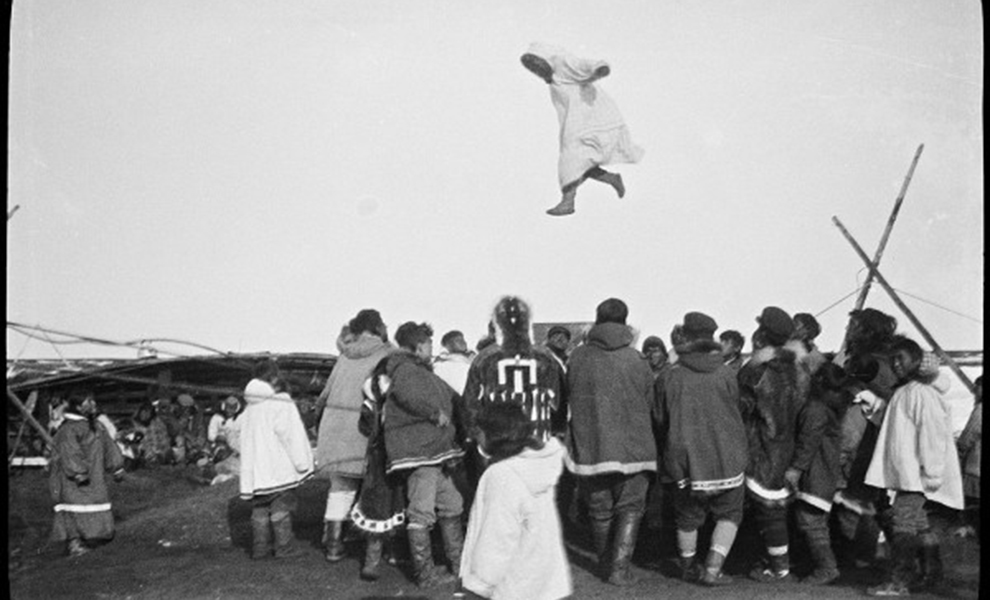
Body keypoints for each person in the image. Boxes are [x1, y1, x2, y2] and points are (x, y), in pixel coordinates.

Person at [565, 297, 657, 586]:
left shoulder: (578, 357)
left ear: (597, 319)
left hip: (591, 447)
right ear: (625, 321)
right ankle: (620, 569)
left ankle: (605, 563)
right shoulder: (636, 359)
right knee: (630, 507)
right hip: (634, 447)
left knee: (599, 509)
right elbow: (650, 401)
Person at [864, 336, 964, 596]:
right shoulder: (906, 390)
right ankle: (932, 575)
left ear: (917, 361)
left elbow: (932, 435)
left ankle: (900, 581)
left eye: (902, 358)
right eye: (893, 359)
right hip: (910, 474)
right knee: (920, 525)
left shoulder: (921, 393)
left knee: (903, 525)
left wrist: (931, 472)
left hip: (916, 475)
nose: (896, 364)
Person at [655, 312, 748, 586]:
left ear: (686, 336)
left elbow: (659, 418)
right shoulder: (726, 373)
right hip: (726, 455)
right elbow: (736, 407)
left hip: (684, 458)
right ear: (713, 338)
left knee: (687, 517)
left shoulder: (669, 376)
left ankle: (687, 568)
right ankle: (712, 570)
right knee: (730, 514)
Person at [381, 321, 466, 588]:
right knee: (421, 513)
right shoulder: (406, 370)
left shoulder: (419, 370)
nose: (432, 347)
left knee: (452, 504)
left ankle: (459, 565)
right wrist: (432, 413)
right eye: (429, 343)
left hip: (435, 453)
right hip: (419, 453)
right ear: (418, 347)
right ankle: (425, 574)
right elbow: (407, 395)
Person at [459, 403, 573, 600]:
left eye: (479, 431)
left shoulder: (502, 475)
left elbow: (497, 537)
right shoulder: (536, 467)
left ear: (494, 433)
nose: (476, 438)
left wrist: (478, 586)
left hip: (513, 588)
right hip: (546, 583)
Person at [520, 43, 644, 216]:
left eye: (537, 65)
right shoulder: (553, 77)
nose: (536, 71)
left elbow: (581, 65)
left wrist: (598, 68)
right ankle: (611, 179)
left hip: (590, 121)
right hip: (577, 123)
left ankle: (567, 202)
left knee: (571, 161)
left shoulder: (562, 64)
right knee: (581, 162)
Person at [314, 309, 396, 562]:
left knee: (340, 488)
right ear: (379, 327)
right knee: (374, 488)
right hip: (363, 431)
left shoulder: (344, 357)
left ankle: (333, 544)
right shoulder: (386, 354)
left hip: (334, 428)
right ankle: (374, 546)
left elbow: (323, 397)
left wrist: (322, 429)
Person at [738, 306, 806, 583]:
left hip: (759, 447)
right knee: (777, 509)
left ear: (761, 335)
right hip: (789, 447)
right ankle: (775, 561)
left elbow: (739, 409)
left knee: (768, 511)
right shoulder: (800, 369)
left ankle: (779, 567)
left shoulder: (754, 371)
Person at [239, 360, 315, 560]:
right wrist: (302, 463)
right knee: (281, 504)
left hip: (256, 471)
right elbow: (291, 435)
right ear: (274, 377)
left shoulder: (248, 409)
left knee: (260, 507)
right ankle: (284, 547)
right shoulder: (280, 402)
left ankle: (259, 548)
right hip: (277, 467)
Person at [464, 296, 565, 446]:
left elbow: (470, 403)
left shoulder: (483, 359)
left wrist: (476, 435)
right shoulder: (546, 358)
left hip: (498, 441)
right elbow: (559, 402)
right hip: (538, 439)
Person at [785, 362, 849, 585]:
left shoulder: (815, 409)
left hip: (815, 474)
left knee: (811, 521)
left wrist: (795, 470)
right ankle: (822, 564)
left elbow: (807, 443)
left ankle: (826, 567)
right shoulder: (832, 409)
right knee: (815, 521)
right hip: (824, 472)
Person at [49, 392, 125, 557]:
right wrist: (78, 472)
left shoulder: (97, 426)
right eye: (88, 402)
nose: (92, 404)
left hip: (95, 476)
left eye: (93, 401)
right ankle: (74, 543)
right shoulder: (68, 429)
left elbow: (109, 447)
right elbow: (70, 451)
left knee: (96, 501)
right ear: (77, 407)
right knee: (74, 508)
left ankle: (93, 539)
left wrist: (117, 466)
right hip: (73, 480)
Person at [955, 374, 981, 539]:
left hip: (976, 467)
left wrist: (959, 453)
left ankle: (971, 529)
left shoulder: (980, 410)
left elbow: (967, 438)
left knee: (973, 502)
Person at [207, 395, 243, 484]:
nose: (230, 411)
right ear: (224, 407)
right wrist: (219, 437)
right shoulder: (216, 418)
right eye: (228, 408)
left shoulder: (239, 419)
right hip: (219, 445)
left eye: (233, 408)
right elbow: (211, 435)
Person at [433, 330, 474, 395]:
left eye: (463, 340)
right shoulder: (440, 366)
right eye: (457, 340)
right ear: (448, 345)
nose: (463, 343)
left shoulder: (471, 361)